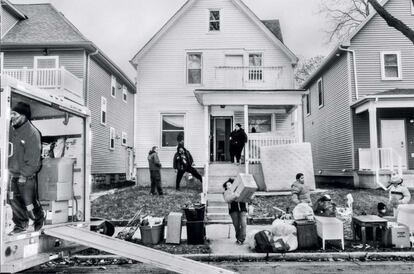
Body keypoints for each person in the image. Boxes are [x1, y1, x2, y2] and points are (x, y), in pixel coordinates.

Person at [8, 102, 45, 234]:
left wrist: (24, 175)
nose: (12, 116)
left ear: (23, 116)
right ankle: (21, 225)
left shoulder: (32, 133)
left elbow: (34, 160)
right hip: (12, 174)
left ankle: (39, 217)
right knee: (13, 200)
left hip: (26, 175)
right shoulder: (11, 130)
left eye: (15, 114)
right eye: (11, 113)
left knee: (29, 202)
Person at [223, 178, 247, 245]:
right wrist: (234, 195)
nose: (229, 185)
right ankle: (238, 238)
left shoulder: (239, 190)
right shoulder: (226, 193)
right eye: (228, 185)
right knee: (236, 225)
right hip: (233, 211)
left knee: (243, 224)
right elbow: (227, 199)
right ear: (226, 187)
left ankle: (241, 239)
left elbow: (246, 197)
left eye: (230, 184)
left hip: (242, 209)